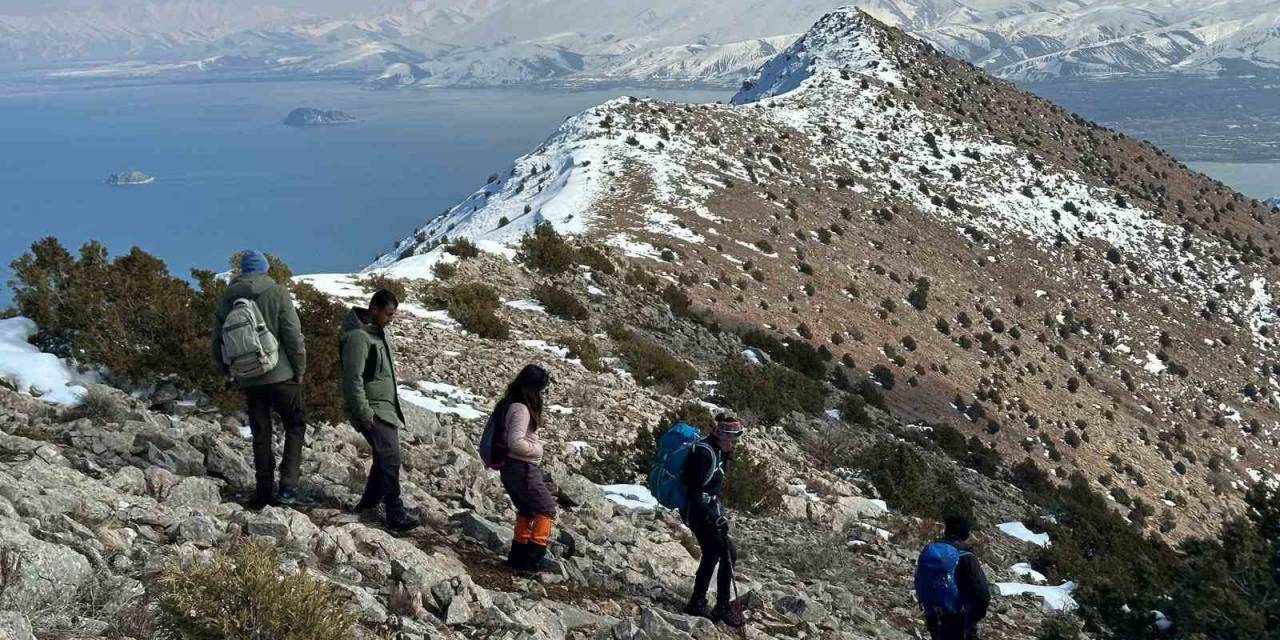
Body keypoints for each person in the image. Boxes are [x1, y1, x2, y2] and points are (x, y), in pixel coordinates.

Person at [211, 250, 307, 509]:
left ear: (241, 271)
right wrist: (299, 367)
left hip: (250, 378)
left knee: (261, 435)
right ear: (265, 268)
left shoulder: (228, 299)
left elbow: (218, 341)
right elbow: (293, 334)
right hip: (282, 375)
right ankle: (288, 486)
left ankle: (263, 491)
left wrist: (228, 372)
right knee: (295, 426)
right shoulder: (277, 292)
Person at [340, 289, 420, 532]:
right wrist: (363, 411)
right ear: (374, 309)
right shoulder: (358, 338)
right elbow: (352, 379)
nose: (390, 319)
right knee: (390, 457)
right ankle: (394, 511)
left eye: (393, 315)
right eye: (388, 314)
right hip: (372, 409)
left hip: (384, 408)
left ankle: (368, 504)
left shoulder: (376, 334)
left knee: (384, 456)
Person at [681, 414, 746, 628]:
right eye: (733, 439)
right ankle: (718, 605)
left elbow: (711, 491)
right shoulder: (704, 453)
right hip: (698, 513)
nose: (735, 444)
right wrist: (712, 517)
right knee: (726, 552)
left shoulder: (718, 451)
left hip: (707, 512)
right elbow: (694, 490)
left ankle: (700, 601)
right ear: (723, 436)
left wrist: (717, 514)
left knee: (714, 552)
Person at [494, 364, 556, 572]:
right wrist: (537, 449)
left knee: (527, 510)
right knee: (546, 508)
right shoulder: (521, 408)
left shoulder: (510, 403)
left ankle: (517, 558)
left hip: (512, 468)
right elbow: (515, 442)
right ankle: (531, 562)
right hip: (522, 467)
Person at [915, 514, 991, 640]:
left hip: (933, 615)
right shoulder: (966, 556)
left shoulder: (932, 550)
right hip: (958, 618)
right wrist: (972, 621)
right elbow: (982, 595)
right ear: (965, 533)